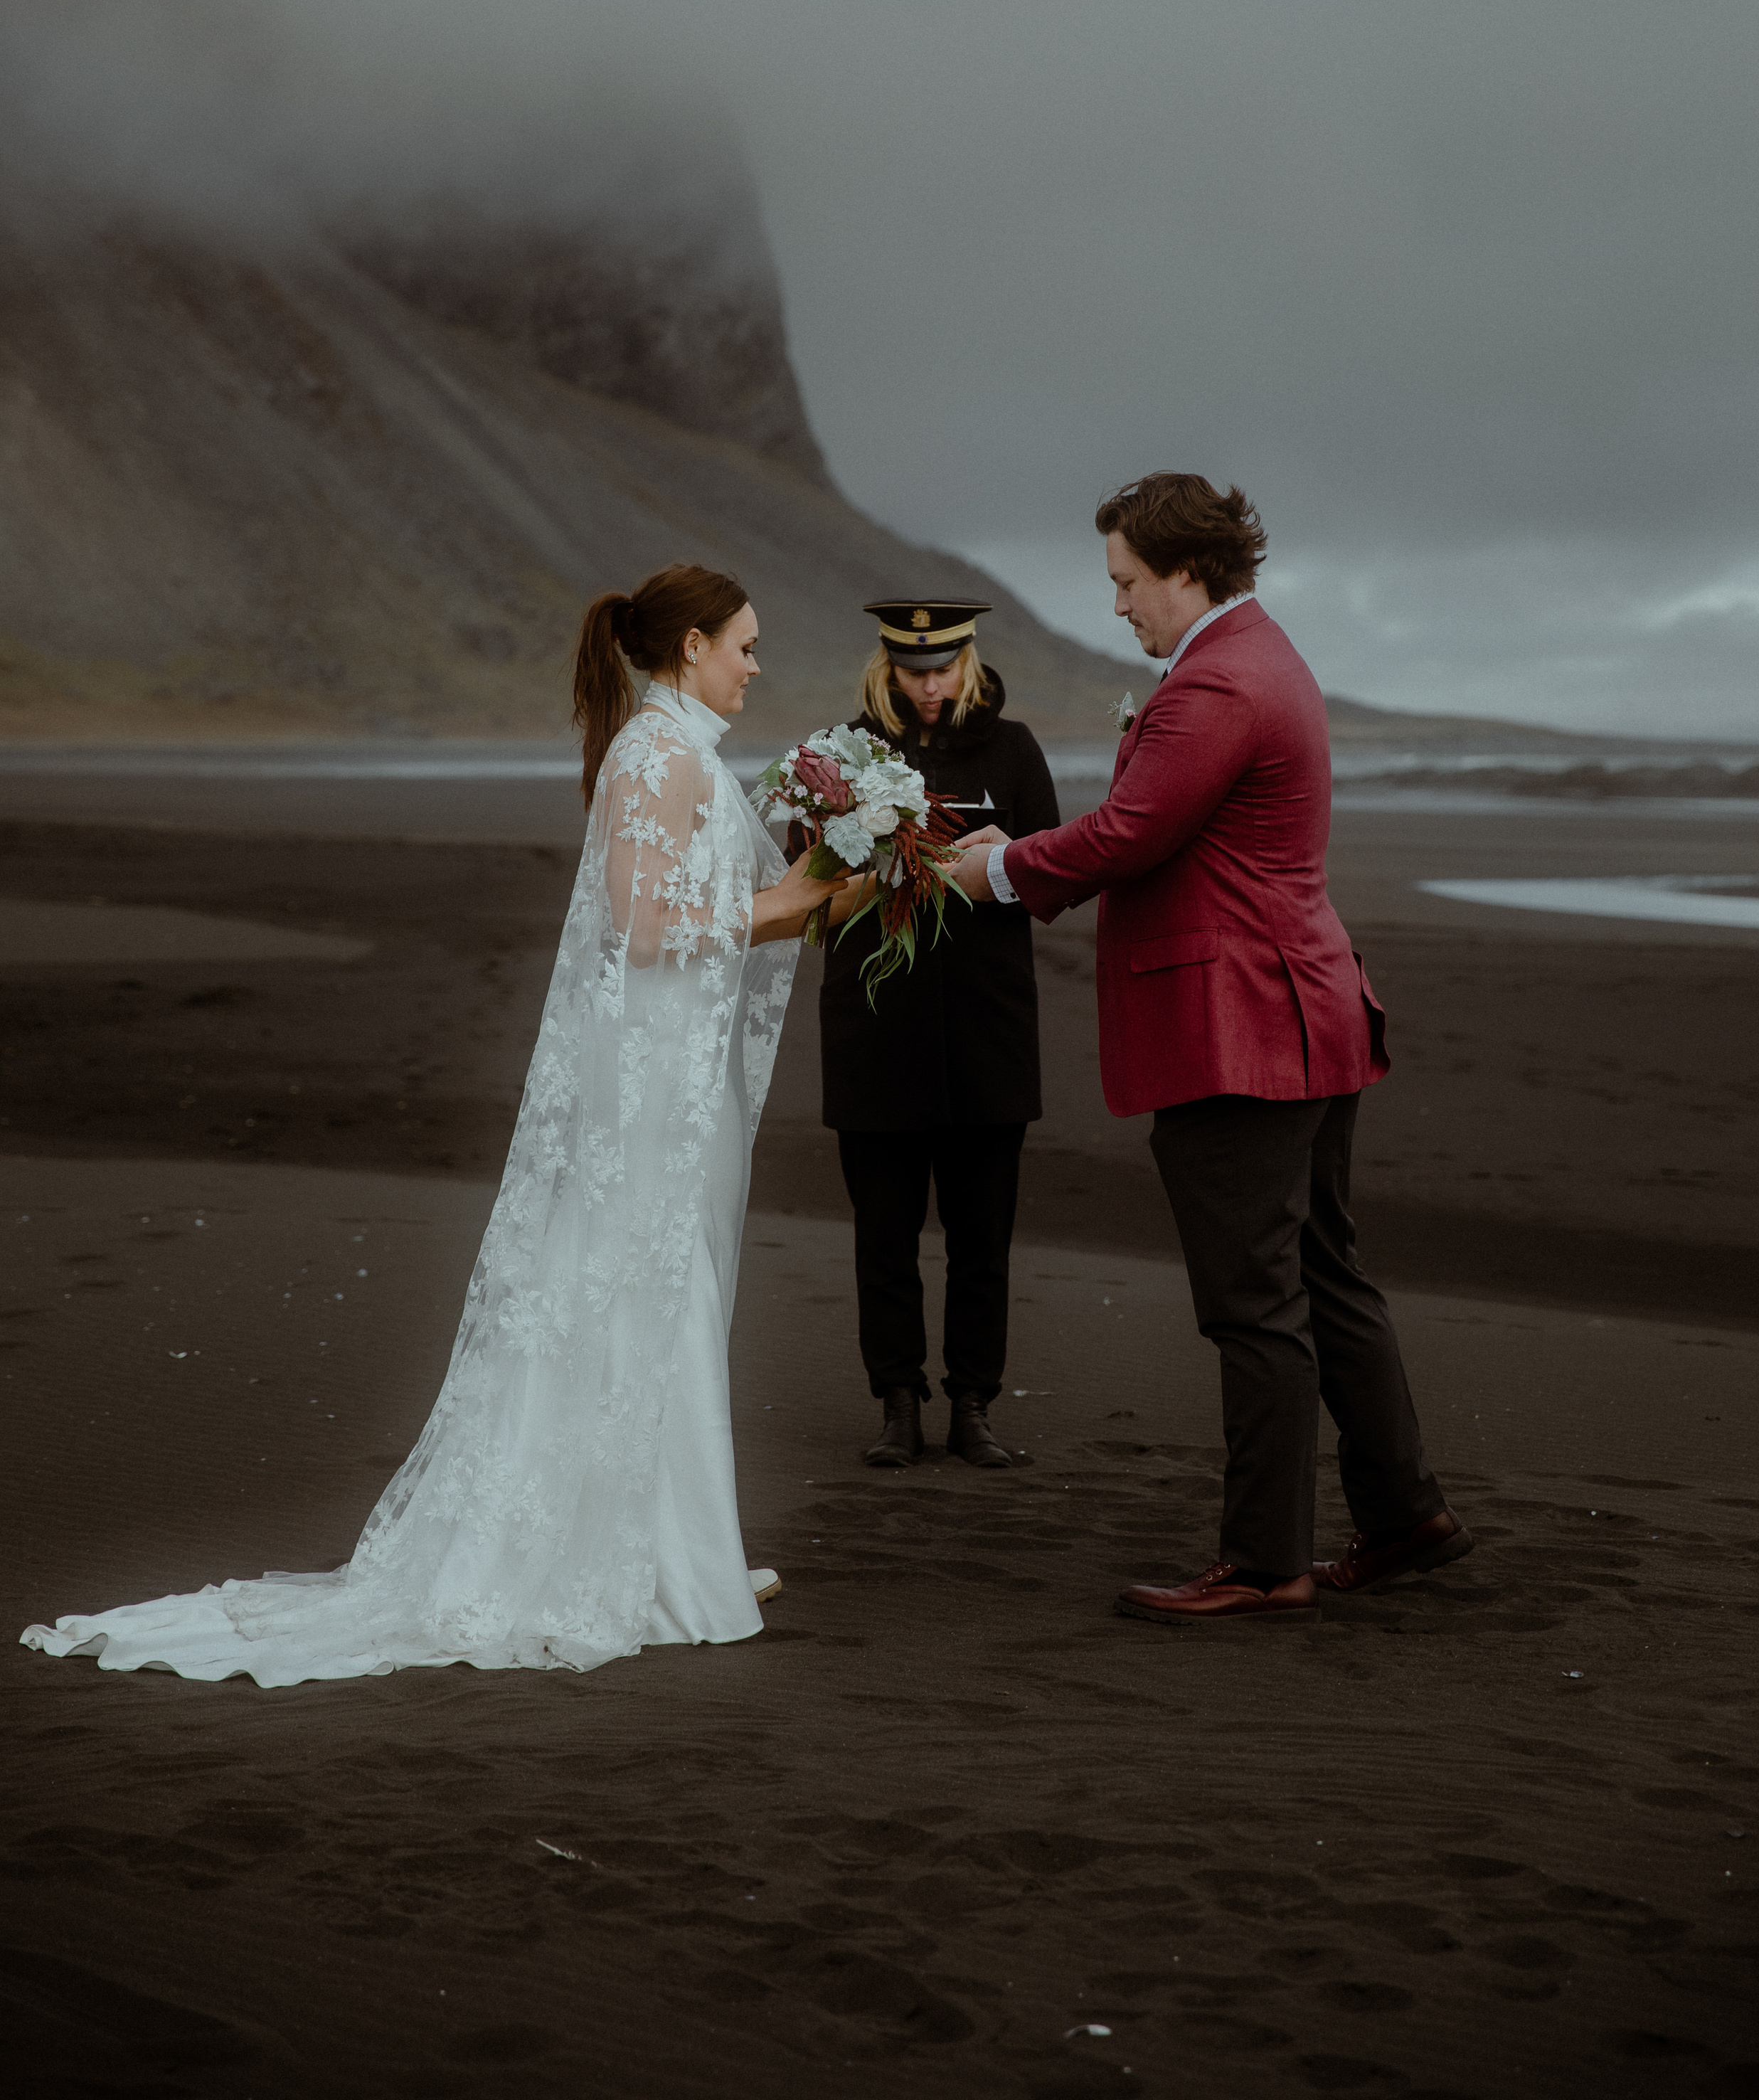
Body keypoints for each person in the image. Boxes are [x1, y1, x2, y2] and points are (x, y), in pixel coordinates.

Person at [21, 564, 837, 1685]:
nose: (756, 664)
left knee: (651, 1292)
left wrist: (811, 890)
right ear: (691, 647)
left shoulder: (674, 747)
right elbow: (643, 927)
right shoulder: (658, 754)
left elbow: (695, 914)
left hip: (664, 1073)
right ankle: (657, 1565)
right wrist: (790, 902)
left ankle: (667, 1549)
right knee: (644, 1288)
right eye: (744, 644)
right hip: (648, 1084)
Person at [950, 477, 1470, 1624]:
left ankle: (1266, 1562)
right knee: (1326, 1276)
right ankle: (1405, 1517)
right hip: (1306, 1008)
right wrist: (1020, 847)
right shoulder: (1257, 656)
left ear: (1187, 570)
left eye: (1127, 582)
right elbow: (1155, 826)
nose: (1119, 606)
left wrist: (992, 870)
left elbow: (1129, 834)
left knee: (1255, 1304)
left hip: (1244, 1030)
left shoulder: (1220, 680)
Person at [819, 598, 1060, 1470]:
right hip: (876, 1034)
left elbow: (1052, 874)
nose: (930, 686)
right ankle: (897, 1404)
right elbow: (811, 888)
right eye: (913, 670)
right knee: (883, 1238)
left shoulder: (1014, 749)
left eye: (943, 669)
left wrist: (1001, 860)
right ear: (887, 667)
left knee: (980, 1242)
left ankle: (972, 1406)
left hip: (988, 1036)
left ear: (968, 662)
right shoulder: (842, 755)